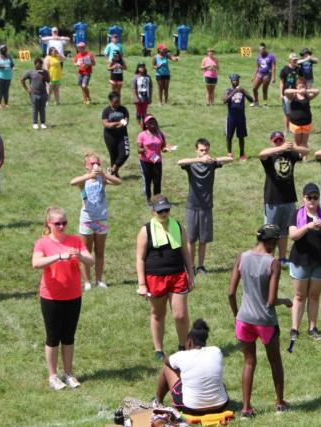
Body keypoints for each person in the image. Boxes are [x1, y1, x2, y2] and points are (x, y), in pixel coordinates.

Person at [228, 224, 292, 417]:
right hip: (265, 321)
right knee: (275, 361)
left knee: (249, 362)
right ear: (271, 242)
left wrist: (236, 315)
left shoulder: (242, 257)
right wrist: (285, 301)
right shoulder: (273, 263)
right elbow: (271, 300)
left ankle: (246, 408)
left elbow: (231, 293)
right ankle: (280, 403)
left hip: (244, 320)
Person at [31, 207, 95, 390]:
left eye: (64, 223)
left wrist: (80, 255)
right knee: (53, 337)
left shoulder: (75, 240)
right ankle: (53, 376)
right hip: (51, 297)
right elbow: (36, 263)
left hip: (73, 295)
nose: (61, 226)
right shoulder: (43, 243)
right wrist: (58, 256)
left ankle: (68, 373)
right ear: (49, 224)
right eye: (57, 223)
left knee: (68, 336)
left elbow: (91, 261)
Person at [136, 195, 195, 360]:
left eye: (166, 210)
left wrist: (191, 274)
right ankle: (159, 350)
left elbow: (186, 252)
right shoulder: (145, 230)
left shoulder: (178, 226)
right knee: (157, 314)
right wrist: (142, 284)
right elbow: (140, 258)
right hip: (154, 278)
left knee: (180, 315)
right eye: (160, 210)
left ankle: (183, 346)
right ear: (153, 211)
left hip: (177, 275)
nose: (164, 213)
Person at [286, 182, 321, 347]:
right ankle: (294, 329)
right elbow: (293, 235)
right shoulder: (296, 215)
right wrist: (307, 226)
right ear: (303, 198)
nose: (312, 201)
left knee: (314, 296)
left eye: (315, 198)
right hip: (301, 260)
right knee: (300, 296)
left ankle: (312, 328)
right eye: (309, 198)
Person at [178, 138, 233, 274]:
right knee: (191, 239)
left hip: (206, 207)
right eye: (201, 150)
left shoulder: (211, 164)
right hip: (192, 206)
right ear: (196, 150)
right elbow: (180, 162)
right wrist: (199, 160)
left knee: (203, 240)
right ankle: (190, 266)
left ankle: (201, 266)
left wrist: (212, 159)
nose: (204, 152)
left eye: (206, 150)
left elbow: (229, 159)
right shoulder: (191, 164)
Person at [153, 319, 229, 414]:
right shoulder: (216, 351)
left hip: (192, 409)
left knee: (166, 368)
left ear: (189, 342)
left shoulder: (182, 356)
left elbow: (166, 361)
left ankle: (157, 401)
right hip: (220, 406)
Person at [70, 152, 121, 291]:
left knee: (100, 252)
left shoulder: (102, 179)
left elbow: (118, 182)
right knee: (86, 252)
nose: (96, 165)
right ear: (86, 166)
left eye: (98, 163)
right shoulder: (84, 180)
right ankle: (87, 282)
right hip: (87, 220)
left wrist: (104, 175)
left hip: (101, 220)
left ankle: (99, 280)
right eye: (92, 163)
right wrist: (89, 176)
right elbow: (72, 182)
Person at [259, 131, 309, 264]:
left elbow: (306, 151)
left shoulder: (290, 154)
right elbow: (261, 154)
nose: (279, 142)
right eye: (276, 141)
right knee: (270, 230)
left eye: (280, 140)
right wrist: (279, 149)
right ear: (272, 142)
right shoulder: (269, 157)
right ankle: (268, 258)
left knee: (285, 231)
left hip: (289, 198)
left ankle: (282, 258)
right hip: (272, 199)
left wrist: (293, 147)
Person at [137, 115, 172, 204]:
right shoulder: (142, 135)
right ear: (146, 124)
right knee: (147, 181)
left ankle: (157, 199)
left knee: (157, 181)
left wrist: (167, 149)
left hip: (157, 161)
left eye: (154, 121)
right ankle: (149, 198)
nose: (152, 123)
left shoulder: (160, 134)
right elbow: (138, 149)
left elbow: (162, 148)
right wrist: (144, 150)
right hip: (145, 162)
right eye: (150, 122)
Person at [284, 76, 319, 150]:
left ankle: (305, 158)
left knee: (304, 143)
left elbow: (317, 91)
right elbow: (286, 91)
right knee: (297, 143)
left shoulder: (307, 96)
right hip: (295, 123)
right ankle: (298, 156)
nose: (301, 85)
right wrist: (298, 91)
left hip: (306, 123)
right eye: (299, 84)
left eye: (303, 84)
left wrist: (306, 91)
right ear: (296, 86)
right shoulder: (293, 96)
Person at [223, 74, 253, 160]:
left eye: (236, 80)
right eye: (233, 80)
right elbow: (225, 100)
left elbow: (251, 100)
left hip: (241, 117)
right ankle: (229, 153)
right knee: (229, 136)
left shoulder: (242, 90)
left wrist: (243, 92)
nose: (235, 82)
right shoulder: (228, 90)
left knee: (241, 137)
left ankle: (242, 154)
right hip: (231, 117)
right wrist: (234, 92)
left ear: (239, 81)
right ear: (231, 81)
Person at [101, 91, 130, 177]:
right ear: (110, 101)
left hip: (122, 135)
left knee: (125, 153)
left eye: (118, 101)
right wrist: (117, 123)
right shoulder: (106, 111)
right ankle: (115, 174)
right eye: (115, 102)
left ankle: (112, 170)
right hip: (110, 136)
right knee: (113, 155)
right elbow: (106, 124)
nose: (117, 103)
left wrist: (119, 123)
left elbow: (126, 121)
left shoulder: (123, 109)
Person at [21, 57, 50, 130]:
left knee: (42, 109)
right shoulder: (31, 72)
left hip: (43, 93)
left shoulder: (45, 72)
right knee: (35, 109)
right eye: (38, 64)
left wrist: (44, 76)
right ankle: (35, 123)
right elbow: (22, 79)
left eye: (40, 64)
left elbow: (49, 80)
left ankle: (43, 123)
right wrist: (27, 89)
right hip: (34, 94)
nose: (39, 66)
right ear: (35, 65)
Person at [279, 53, 305, 134]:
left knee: (296, 111)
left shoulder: (299, 69)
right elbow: (281, 83)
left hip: (296, 93)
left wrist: (302, 90)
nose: (295, 61)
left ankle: (295, 128)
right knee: (287, 112)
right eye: (294, 60)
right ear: (290, 60)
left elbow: (301, 80)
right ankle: (287, 129)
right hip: (287, 94)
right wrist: (281, 94)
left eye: (296, 60)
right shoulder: (284, 70)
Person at [251, 43, 276, 107]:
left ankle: (265, 103)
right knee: (254, 88)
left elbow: (273, 67)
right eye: (259, 50)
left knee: (264, 89)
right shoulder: (258, 57)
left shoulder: (271, 56)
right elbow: (257, 67)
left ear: (265, 49)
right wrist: (254, 76)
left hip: (267, 74)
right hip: (259, 74)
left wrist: (273, 77)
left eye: (262, 49)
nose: (260, 51)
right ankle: (256, 102)